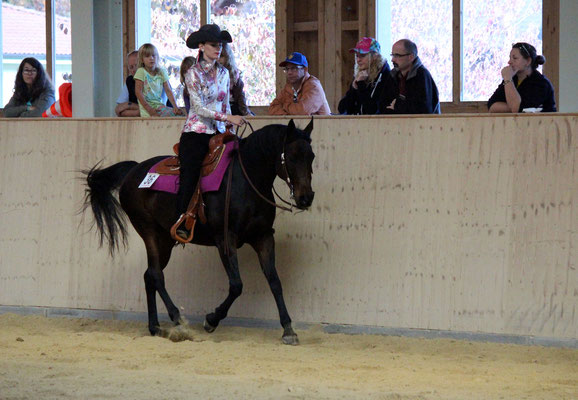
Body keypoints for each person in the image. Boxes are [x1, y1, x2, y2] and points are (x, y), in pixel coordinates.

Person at [175, 24, 245, 239]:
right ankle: (182, 219)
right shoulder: (192, 74)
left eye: (221, 45)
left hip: (220, 132)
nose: (219, 49)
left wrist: (230, 125)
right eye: (214, 45)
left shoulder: (224, 73)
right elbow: (198, 108)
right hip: (196, 133)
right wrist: (228, 118)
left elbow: (225, 103)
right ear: (202, 46)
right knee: (190, 172)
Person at [488, 42, 556, 113]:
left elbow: (517, 109)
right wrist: (512, 107)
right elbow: (491, 105)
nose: (509, 62)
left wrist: (508, 78)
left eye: (515, 58)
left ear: (528, 61)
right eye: (510, 58)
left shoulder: (541, 83)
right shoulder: (512, 79)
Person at [381, 39, 440, 114]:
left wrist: (397, 105)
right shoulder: (392, 75)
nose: (393, 60)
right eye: (392, 55)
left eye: (397, 55)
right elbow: (383, 105)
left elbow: (423, 109)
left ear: (411, 57)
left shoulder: (422, 75)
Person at [338, 37, 395, 115]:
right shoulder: (361, 74)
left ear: (375, 56)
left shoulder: (386, 76)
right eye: (357, 56)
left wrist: (361, 86)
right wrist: (354, 89)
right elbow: (342, 108)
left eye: (362, 55)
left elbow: (372, 110)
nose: (358, 60)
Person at [134, 43, 183, 117]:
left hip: (159, 106)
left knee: (180, 114)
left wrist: (175, 106)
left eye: (153, 55)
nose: (151, 58)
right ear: (142, 59)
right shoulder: (141, 71)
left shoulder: (161, 72)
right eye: (147, 56)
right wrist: (149, 109)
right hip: (147, 109)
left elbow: (168, 90)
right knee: (175, 116)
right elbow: (138, 92)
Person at [219, 43, 254, 116]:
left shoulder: (233, 74)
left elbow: (240, 95)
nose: (218, 59)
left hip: (232, 106)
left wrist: (246, 112)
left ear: (227, 57)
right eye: (217, 56)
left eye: (221, 56)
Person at [115, 50, 140, 117]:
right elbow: (119, 109)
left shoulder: (157, 79)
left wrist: (129, 106)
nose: (134, 70)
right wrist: (140, 112)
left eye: (136, 66)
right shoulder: (130, 81)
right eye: (131, 67)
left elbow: (157, 110)